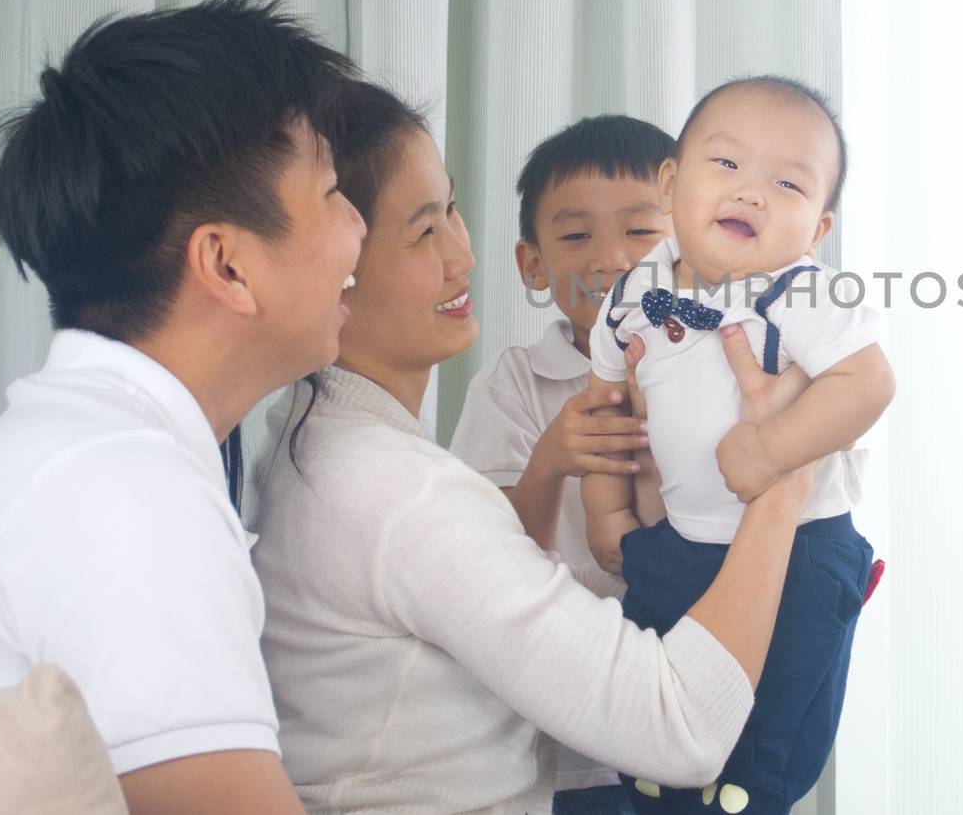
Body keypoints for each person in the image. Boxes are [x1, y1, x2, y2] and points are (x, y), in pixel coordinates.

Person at [249, 81, 820, 814]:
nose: (463, 255)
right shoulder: (400, 485)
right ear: (333, 262)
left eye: (451, 210)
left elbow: (513, 583)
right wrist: (784, 474)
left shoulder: (319, 443)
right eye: (424, 231)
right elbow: (679, 726)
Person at [0, 0, 366, 815]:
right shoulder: (126, 498)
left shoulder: (75, 446)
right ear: (228, 266)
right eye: (329, 193)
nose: (359, 228)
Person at [584, 77, 895, 814]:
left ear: (817, 230)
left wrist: (770, 450)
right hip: (681, 538)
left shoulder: (806, 292)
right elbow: (603, 402)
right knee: (661, 706)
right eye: (727, 166)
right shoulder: (636, 288)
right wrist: (605, 515)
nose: (752, 193)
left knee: (769, 732)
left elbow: (869, 382)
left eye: (786, 183)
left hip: (803, 548)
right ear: (670, 182)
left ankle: (747, 793)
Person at [450, 114, 678, 814]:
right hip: (573, 752)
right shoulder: (512, 385)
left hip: (695, 710)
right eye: (576, 235)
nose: (611, 259)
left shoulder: (727, 373)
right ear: (534, 265)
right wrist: (550, 460)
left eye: (641, 233)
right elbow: (482, 568)